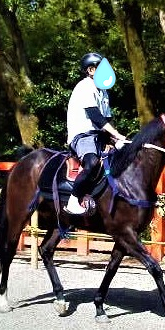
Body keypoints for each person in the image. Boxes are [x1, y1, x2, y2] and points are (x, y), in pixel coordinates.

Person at [64, 52, 127, 215]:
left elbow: (107, 119)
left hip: (99, 136)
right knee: (91, 162)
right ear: (91, 70)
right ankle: (72, 201)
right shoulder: (85, 87)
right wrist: (118, 135)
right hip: (82, 136)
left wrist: (116, 139)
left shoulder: (103, 92)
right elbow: (96, 117)